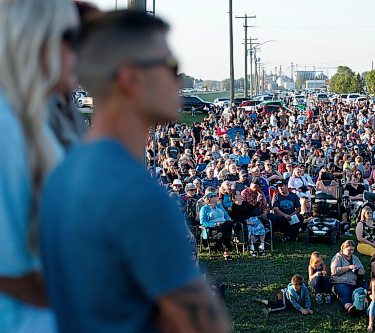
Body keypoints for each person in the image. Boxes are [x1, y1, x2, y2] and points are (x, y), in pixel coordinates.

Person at [39, 11, 229, 333]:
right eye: (169, 67)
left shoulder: (64, 172)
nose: (179, 82)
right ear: (131, 78)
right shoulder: (135, 192)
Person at [0, 0, 79, 331]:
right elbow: (9, 271)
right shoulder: (6, 126)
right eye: (73, 38)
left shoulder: (33, 123)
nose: (82, 52)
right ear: (39, 39)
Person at [331, 240, 366, 315]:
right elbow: (334, 271)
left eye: (353, 250)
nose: (351, 252)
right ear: (343, 248)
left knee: (365, 287)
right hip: (341, 282)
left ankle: (369, 304)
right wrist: (348, 267)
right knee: (346, 292)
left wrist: (360, 271)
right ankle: (350, 308)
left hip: (355, 281)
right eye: (349, 250)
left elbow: (362, 269)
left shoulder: (355, 258)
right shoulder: (338, 258)